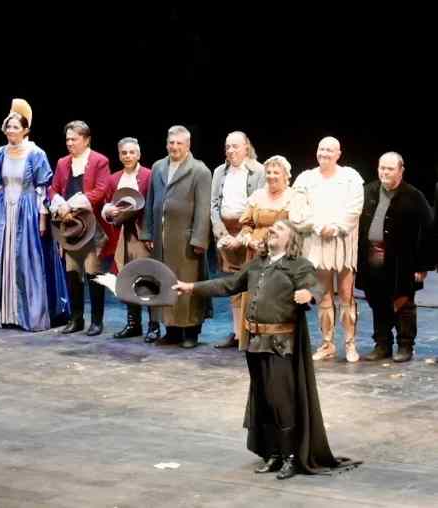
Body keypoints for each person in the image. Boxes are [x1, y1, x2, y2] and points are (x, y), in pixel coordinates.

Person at [174, 220, 359, 479]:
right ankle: (273, 454)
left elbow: (315, 285)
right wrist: (192, 287)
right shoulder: (257, 264)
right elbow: (229, 285)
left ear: (291, 239)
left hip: (280, 344)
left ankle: (291, 457)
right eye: (272, 228)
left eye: (279, 229)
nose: (272, 230)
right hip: (255, 342)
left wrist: (309, 294)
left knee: (281, 400)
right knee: (263, 400)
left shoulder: (298, 265)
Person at [0, 98, 69, 331]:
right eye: (8, 126)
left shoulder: (36, 153)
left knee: (26, 261)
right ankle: (3, 313)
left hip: (27, 213)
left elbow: (43, 189)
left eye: (15, 127)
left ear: (25, 130)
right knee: (2, 259)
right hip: (3, 213)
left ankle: (27, 315)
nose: (10, 130)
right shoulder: (1, 152)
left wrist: (42, 220)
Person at [356, 152, 434, 362]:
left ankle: (405, 346)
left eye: (390, 169)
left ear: (401, 170)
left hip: (402, 261)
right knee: (377, 301)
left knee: (403, 302)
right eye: (382, 168)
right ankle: (382, 344)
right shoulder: (368, 191)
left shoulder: (413, 196)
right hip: (372, 258)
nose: (385, 172)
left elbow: (428, 231)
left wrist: (422, 266)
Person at [140, 125, 212, 348]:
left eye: (179, 143)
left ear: (188, 145)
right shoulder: (158, 167)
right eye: (171, 142)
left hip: (185, 240)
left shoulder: (199, 171)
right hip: (161, 239)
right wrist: (148, 232)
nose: (175, 147)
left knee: (187, 285)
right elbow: (151, 201)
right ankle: (171, 330)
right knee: (164, 282)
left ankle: (190, 331)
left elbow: (203, 209)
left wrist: (199, 239)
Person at [293, 137, 364, 362]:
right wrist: (317, 225)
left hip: (342, 242)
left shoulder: (351, 177)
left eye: (329, 150)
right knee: (323, 295)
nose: (324, 153)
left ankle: (350, 344)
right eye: (321, 149)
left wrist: (335, 227)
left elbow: (354, 209)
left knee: (345, 294)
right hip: (317, 242)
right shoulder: (305, 178)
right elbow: (297, 211)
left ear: (338, 154)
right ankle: (327, 344)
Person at [236, 155, 310, 348]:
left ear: (286, 176)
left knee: (276, 296)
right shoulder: (257, 196)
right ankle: (253, 338)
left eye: (276, 172)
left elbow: (298, 228)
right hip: (256, 252)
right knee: (255, 294)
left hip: (282, 254)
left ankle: (279, 340)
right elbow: (246, 224)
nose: (271, 176)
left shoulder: (293, 198)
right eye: (268, 172)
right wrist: (249, 240)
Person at [49, 121, 110, 336]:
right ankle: (76, 319)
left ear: (86, 140)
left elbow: (101, 190)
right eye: (67, 139)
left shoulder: (99, 161)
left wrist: (72, 203)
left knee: (93, 273)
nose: (69, 143)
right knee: (73, 273)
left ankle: (96, 321)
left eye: (74, 139)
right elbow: (53, 189)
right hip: (70, 227)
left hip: (92, 227)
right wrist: (59, 204)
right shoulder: (62, 163)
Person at [101, 137, 160, 343]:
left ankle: (154, 325)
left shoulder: (149, 175)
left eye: (131, 152)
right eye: (124, 153)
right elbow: (107, 206)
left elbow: (155, 205)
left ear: (139, 154)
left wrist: (151, 233)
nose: (128, 156)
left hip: (142, 234)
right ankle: (134, 324)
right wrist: (109, 211)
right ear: (119, 155)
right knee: (127, 278)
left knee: (147, 278)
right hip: (122, 236)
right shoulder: (113, 179)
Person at [210, 131, 265, 349]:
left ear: (246, 147)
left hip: (249, 232)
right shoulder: (219, 172)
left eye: (235, 146)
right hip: (226, 232)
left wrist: (242, 237)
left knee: (252, 284)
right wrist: (222, 234)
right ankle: (236, 334)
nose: (231, 151)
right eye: (227, 147)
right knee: (234, 285)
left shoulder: (258, 171)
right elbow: (214, 206)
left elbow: (258, 207)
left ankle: (252, 333)